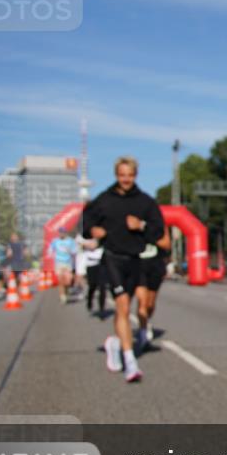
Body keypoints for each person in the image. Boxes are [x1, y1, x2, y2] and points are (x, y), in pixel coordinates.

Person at [84, 156, 165, 383]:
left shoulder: (145, 202)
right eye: (122, 175)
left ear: (135, 175)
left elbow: (158, 231)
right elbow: (86, 221)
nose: (126, 179)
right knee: (122, 306)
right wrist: (93, 230)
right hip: (112, 258)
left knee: (141, 303)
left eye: (129, 175)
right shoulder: (104, 199)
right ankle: (130, 362)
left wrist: (141, 226)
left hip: (135, 259)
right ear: (116, 175)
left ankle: (114, 344)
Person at [135, 228, 171, 353]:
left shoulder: (157, 222)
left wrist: (146, 230)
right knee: (142, 302)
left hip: (155, 265)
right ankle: (143, 333)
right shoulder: (132, 218)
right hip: (137, 265)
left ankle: (146, 322)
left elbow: (166, 243)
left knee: (150, 304)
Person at [78, 223, 106, 314]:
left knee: (102, 287)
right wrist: (88, 244)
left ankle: (102, 308)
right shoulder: (84, 234)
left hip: (101, 263)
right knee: (92, 286)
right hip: (91, 264)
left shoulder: (102, 232)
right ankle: (89, 301)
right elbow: (80, 242)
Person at [48, 227, 77, 304]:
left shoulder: (70, 241)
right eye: (60, 232)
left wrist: (71, 251)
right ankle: (62, 296)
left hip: (68, 263)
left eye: (63, 232)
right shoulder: (55, 241)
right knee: (60, 280)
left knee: (67, 282)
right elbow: (50, 250)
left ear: (65, 233)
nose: (61, 234)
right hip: (59, 263)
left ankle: (66, 291)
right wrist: (49, 254)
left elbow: (75, 251)